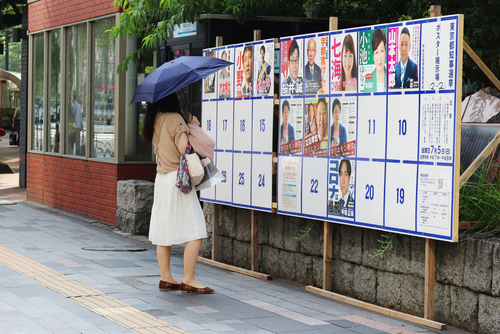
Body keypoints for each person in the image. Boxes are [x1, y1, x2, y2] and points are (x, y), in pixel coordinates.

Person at [143, 93, 214, 294]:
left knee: (163, 231)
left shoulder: (155, 119)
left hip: (162, 179)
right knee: (196, 228)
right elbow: (185, 149)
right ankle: (189, 279)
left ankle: (165, 277)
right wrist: (193, 126)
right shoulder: (174, 119)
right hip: (178, 180)